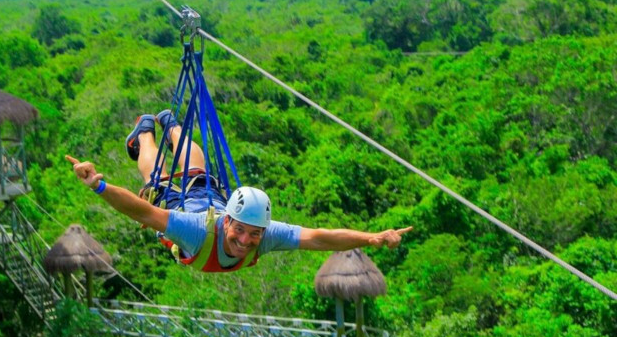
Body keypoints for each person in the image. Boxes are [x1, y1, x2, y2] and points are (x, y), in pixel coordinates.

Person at [66, 110, 412, 273]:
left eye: (255, 233)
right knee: (157, 181)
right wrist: (98, 185)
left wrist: (370, 238)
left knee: (198, 172)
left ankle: (172, 126)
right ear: (228, 222)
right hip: (190, 211)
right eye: (241, 230)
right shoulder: (195, 231)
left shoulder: (265, 235)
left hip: (211, 199)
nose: (246, 240)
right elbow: (142, 211)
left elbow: (319, 237)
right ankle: (145, 132)